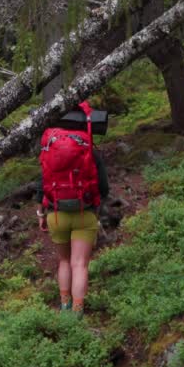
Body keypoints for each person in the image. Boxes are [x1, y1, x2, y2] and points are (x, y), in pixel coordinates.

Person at [35, 107, 110, 314]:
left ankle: (64, 305)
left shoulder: (49, 148)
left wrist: (41, 213)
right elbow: (104, 187)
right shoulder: (88, 149)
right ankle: (77, 313)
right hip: (84, 214)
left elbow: (42, 184)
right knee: (80, 265)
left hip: (56, 215)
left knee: (64, 261)